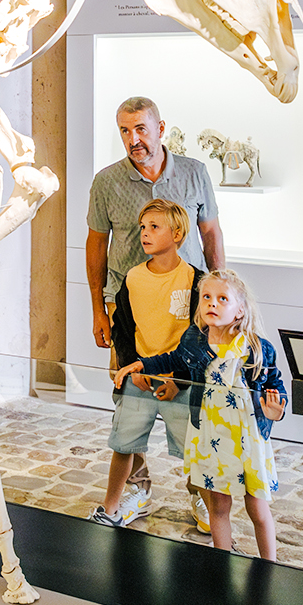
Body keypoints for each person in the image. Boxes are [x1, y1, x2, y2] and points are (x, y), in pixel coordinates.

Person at [86, 96, 224, 530]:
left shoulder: (195, 172)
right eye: (125, 131)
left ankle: (199, 491)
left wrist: (222, 302)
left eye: (141, 129)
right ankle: (135, 489)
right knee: (130, 395)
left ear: (160, 128)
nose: (133, 139)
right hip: (127, 308)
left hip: (190, 307)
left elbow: (212, 235)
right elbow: (95, 247)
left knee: (192, 396)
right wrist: (98, 309)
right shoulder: (106, 181)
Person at [115, 269, 287, 559]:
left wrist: (274, 411)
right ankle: (221, 562)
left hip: (247, 441)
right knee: (218, 506)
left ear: (240, 310)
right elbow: (171, 359)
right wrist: (141, 365)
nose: (212, 303)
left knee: (257, 506)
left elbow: (275, 386)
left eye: (222, 299)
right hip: (210, 436)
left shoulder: (258, 349)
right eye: (206, 297)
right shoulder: (194, 340)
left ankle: (270, 565)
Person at [87, 199, 203, 527]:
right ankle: (110, 507)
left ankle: (205, 502)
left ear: (178, 233)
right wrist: (131, 367)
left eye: (154, 227)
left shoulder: (196, 281)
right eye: (142, 227)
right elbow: (124, 329)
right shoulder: (133, 278)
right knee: (124, 442)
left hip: (180, 383)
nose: (145, 234)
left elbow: (201, 338)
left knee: (195, 449)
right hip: (140, 379)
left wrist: (178, 379)